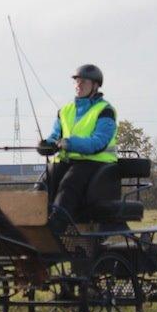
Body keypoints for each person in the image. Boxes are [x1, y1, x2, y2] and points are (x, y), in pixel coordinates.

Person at [37, 64, 117, 234]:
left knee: (69, 183)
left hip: (95, 162)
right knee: (44, 182)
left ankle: (55, 229)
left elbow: (99, 142)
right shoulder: (65, 110)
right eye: (77, 82)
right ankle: (28, 222)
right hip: (67, 161)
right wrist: (47, 144)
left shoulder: (105, 111)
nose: (78, 85)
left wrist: (70, 143)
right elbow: (55, 135)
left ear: (95, 86)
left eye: (83, 82)